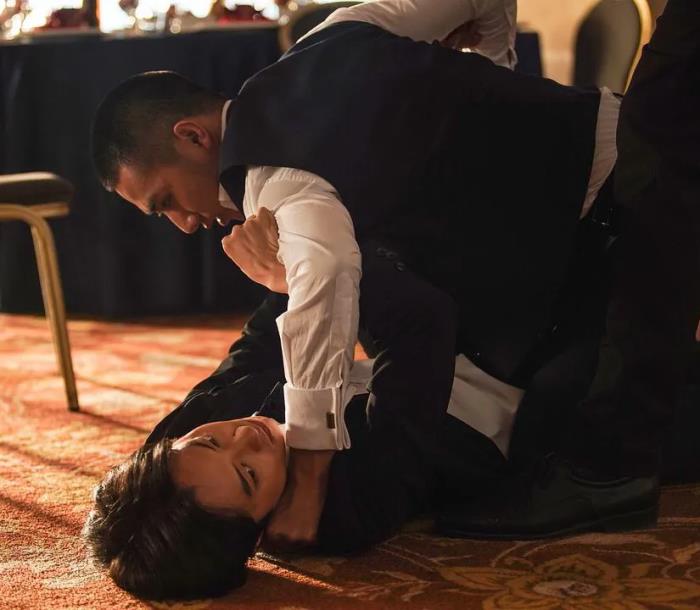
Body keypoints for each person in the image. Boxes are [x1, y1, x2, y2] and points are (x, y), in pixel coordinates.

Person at [91, 0, 645, 546]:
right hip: (623, 127)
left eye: (165, 201)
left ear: (193, 137)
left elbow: (331, 279)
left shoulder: (278, 183)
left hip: (626, 214)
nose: (185, 224)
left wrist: (310, 469)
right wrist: (490, 77)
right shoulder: (327, 38)